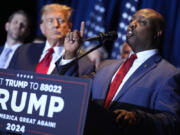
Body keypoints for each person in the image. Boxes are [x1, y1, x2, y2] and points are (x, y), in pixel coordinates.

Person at [61, 8, 180, 135]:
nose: (132, 24)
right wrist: (70, 54)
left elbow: (172, 122)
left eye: (142, 22)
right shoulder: (106, 66)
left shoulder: (168, 74)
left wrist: (137, 117)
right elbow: (74, 90)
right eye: (132, 20)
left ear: (157, 33)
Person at [8, 3, 94, 76]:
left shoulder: (85, 64)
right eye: (50, 21)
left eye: (61, 21)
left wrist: (70, 55)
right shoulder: (22, 52)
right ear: (42, 28)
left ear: (69, 27)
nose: (56, 25)